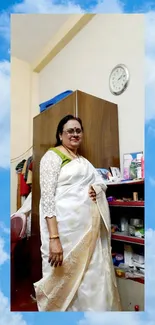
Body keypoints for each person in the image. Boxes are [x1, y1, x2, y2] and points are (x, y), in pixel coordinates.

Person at [34, 115, 121, 312]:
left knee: (92, 280)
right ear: (60, 134)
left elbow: (101, 182)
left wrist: (97, 189)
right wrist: (54, 239)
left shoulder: (83, 161)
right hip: (65, 235)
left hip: (90, 233)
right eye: (70, 131)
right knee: (64, 279)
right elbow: (47, 199)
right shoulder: (52, 157)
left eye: (78, 130)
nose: (75, 134)